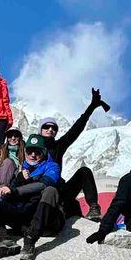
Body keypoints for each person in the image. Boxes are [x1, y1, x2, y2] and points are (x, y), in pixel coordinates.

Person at [0, 134, 65, 260]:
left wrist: (16, 189)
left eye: (37, 152)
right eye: (30, 151)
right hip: (25, 219)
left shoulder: (52, 166)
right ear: (25, 152)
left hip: (47, 222)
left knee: (50, 191)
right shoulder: (22, 168)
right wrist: (19, 179)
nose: (33, 155)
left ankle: (30, 241)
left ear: (44, 152)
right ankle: (4, 241)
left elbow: (44, 184)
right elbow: (11, 193)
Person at [39, 88, 110, 221]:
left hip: (59, 191)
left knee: (84, 172)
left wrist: (92, 106)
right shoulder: (31, 149)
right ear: (40, 130)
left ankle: (94, 208)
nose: (50, 129)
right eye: (46, 127)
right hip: (39, 193)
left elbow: (76, 129)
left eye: (54, 128)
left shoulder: (58, 146)